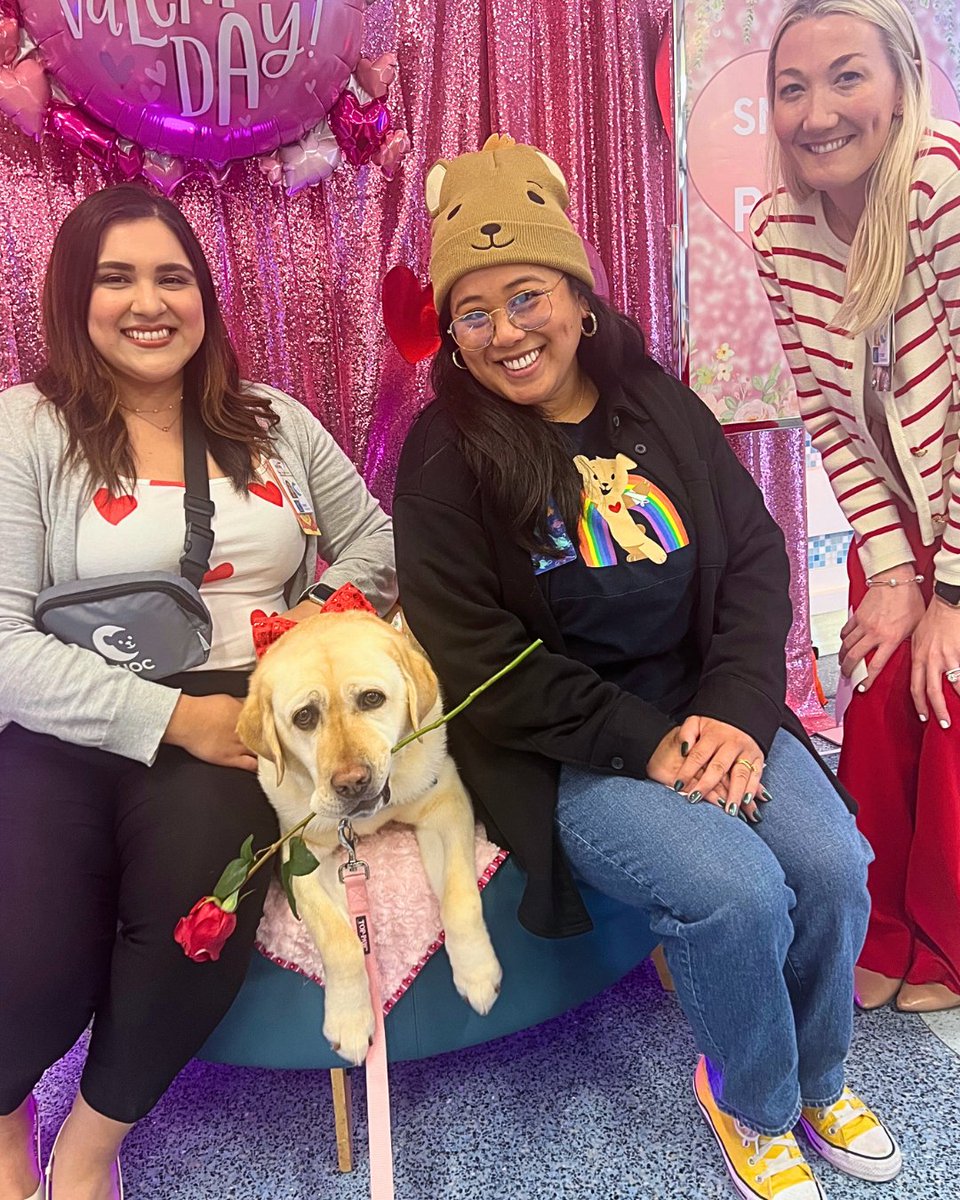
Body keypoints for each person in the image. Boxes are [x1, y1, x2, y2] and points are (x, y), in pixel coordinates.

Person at [393, 134, 900, 1200]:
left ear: (577, 296)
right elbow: (476, 655)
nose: (503, 333)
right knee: (735, 892)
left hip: (711, 708)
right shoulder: (445, 452)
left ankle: (819, 1077)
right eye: (471, 314)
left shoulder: (656, 400)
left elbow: (755, 556)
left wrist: (731, 708)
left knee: (832, 866)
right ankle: (752, 1098)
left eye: (524, 295)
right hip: (571, 748)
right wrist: (652, 743)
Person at [0, 184, 397, 1200]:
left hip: (240, 711)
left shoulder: (275, 422)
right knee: (26, 952)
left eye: (172, 276)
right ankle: (9, 1119)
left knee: (192, 923)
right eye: (116, 277)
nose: (149, 301)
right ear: (72, 298)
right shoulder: (26, 429)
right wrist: (173, 716)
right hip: (71, 710)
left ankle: (90, 1148)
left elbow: (380, 543)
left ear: (205, 296)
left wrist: (311, 618)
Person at [752, 0, 960, 1013]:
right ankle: (881, 926)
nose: (819, 111)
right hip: (901, 519)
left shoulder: (940, 185)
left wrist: (948, 590)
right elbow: (832, 423)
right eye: (793, 87)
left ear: (901, 83)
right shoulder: (776, 230)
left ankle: (951, 943)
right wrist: (895, 573)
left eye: (847, 78)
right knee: (875, 692)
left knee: (945, 693)